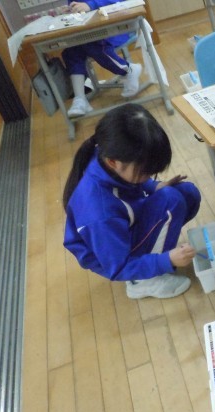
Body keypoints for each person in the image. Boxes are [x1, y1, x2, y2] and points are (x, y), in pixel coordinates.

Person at [62, 104, 201, 299]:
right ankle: (141, 282)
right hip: (113, 256)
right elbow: (118, 267)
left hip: (122, 226)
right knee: (171, 200)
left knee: (187, 193)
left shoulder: (107, 154)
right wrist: (167, 260)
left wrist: (154, 186)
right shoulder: (99, 212)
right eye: (144, 172)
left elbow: (128, 182)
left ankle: (152, 254)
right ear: (113, 162)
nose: (148, 176)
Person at [62, 0, 143, 118]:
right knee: (70, 52)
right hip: (89, 31)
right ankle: (80, 98)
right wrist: (72, 9)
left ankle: (128, 69)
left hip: (117, 26)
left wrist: (91, 5)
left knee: (93, 45)